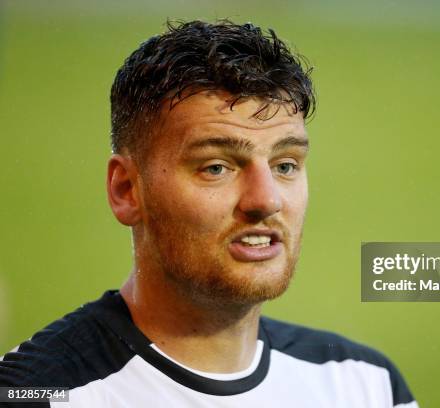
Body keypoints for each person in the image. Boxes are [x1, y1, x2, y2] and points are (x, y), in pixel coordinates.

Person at [0, 20, 418, 407]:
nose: (266, 200)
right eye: (216, 167)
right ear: (127, 190)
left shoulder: (366, 387)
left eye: (285, 165)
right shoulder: (38, 395)